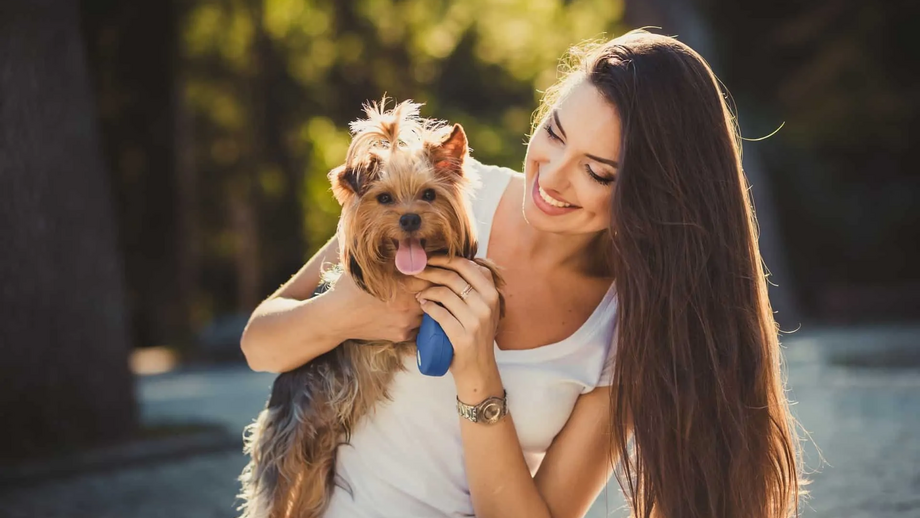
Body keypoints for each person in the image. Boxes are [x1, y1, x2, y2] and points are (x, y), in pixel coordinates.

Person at [241, 29, 804, 518]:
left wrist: (479, 375)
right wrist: (349, 311)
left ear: (653, 194)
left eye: (597, 172)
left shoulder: (624, 331)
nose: (553, 178)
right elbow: (260, 345)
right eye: (555, 133)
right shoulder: (448, 199)